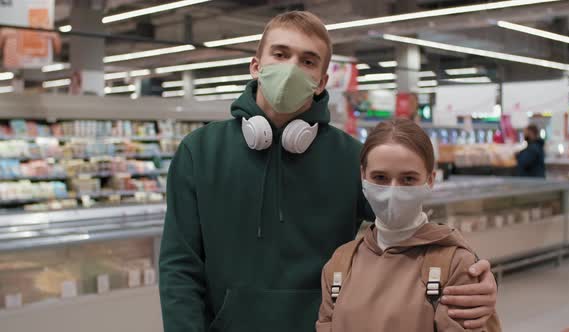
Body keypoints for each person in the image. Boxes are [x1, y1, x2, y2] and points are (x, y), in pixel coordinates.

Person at [159, 11, 497, 332]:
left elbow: (406, 230)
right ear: (256, 65)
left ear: (321, 81)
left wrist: (469, 271)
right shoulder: (199, 152)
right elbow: (180, 266)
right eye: (280, 54)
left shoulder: (351, 157)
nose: (292, 68)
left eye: (307, 61)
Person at [316, 119, 501, 331]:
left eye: (408, 179)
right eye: (380, 177)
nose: (392, 191)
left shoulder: (454, 264)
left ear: (430, 179)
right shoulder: (341, 264)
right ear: (362, 176)